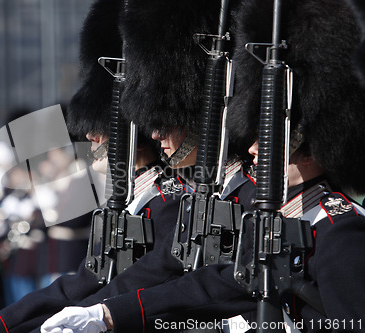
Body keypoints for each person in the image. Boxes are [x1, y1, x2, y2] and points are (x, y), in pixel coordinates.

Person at [41, 0, 365, 332]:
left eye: (268, 142)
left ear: (312, 151)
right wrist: (107, 315)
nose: (254, 148)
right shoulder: (276, 216)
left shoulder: (340, 231)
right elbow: (211, 286)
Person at [0, 0, 189, 331]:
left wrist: (94, 314)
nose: (90, 137)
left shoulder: (169, 199)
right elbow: (84, 282)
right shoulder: (127, 197)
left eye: (101, 128)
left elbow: (141, 284)